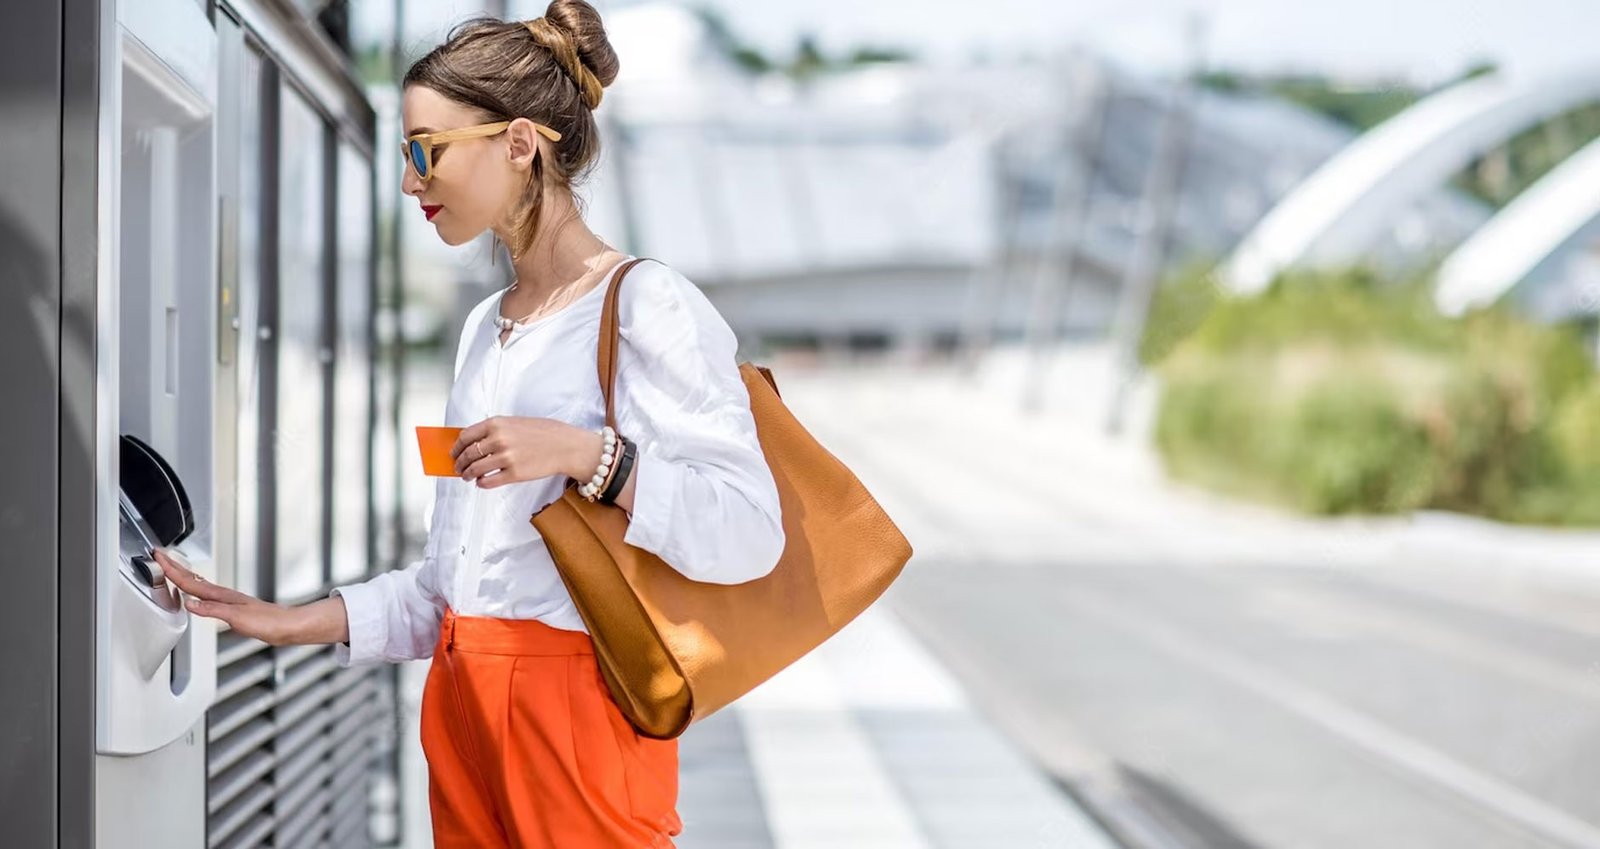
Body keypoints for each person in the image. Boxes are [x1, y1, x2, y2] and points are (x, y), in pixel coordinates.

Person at [152, 3, 786, 846]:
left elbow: (750, 529)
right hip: (459, 701)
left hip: (576, 719)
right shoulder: (485, 329)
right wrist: (291, 617)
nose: (411, 183)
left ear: (520, 143)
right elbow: (453, 587)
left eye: (425, 151)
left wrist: (586, 455)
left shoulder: (645, 305)